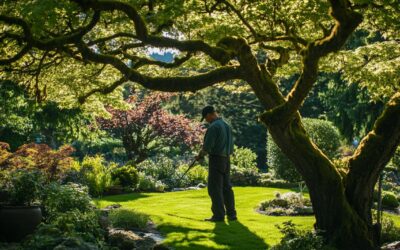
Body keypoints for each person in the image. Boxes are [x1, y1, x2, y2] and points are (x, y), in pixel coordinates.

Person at [196, 106, 237, 222]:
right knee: (226, 187)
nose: (206, 120)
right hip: (227, 159)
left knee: (214, 188)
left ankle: (218, 216)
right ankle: (232, 214)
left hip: (216, 159)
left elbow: (207, 147)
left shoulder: (214, 127)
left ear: (210, 114)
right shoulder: (226, 125)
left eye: (205, 118)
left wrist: (200, 156)